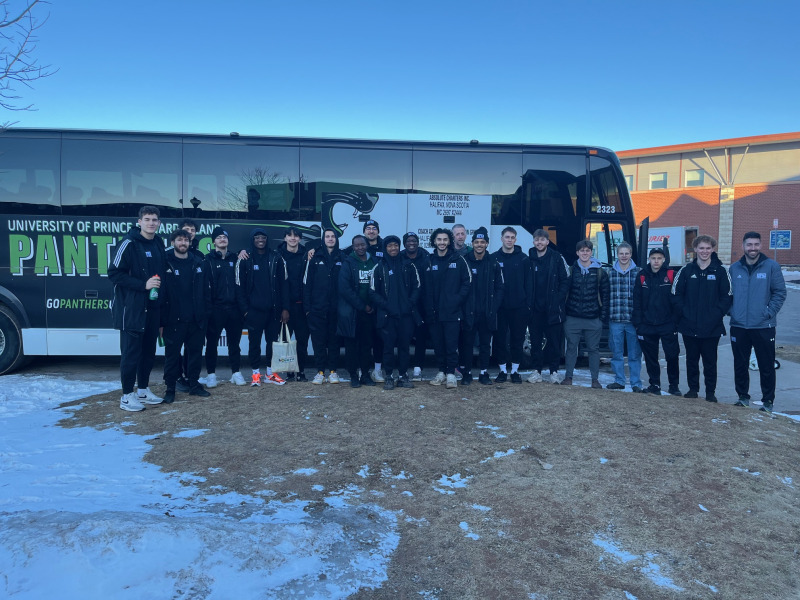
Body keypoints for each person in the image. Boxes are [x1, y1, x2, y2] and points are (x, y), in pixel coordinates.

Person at [108, 205, 166, 411]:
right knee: (131, 354)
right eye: (147, 219)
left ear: (159, 223)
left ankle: (142, 390)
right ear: (139, 221)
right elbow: (114, 274)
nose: (151, 223)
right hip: (131, 310)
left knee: (148, 352)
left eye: (154, 219)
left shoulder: (158, 243)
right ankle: (126, 396)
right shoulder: (128, 243)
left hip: (153, 308)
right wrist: (143, 285)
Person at [729, 231, 787, 413]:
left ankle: (768, 400)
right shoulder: (734, 268)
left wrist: (768, 313)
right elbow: (727, 294)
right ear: (743, 246)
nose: (752, 248)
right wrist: (732, 312)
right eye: (749, 245)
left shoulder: (771, 267)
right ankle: (742, 397)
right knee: (740, 364)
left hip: (763, 326)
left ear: (761, 245)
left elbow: (780, 292)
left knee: (766, 365)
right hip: (739, 326)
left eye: (756, 245)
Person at [671, 235, 732, 403]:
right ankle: (693, 389)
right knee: (692, 360)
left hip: (712, 327)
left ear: (713, 249)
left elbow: (727, 297)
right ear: (695, 249)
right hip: (689, 325)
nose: (704, 251)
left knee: (710, 362)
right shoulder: (686, 271)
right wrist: (685, 313)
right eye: (701, 248)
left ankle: (710, 392)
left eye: (708, 248)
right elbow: (676, 295)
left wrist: (715, 315)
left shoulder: (720, 271)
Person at [235, 227, 290, 386]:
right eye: (257, 237)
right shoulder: (245, 258)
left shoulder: (276, 257)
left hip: (274, 310)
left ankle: (270, 374)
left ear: (267, 240)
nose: (260, 240)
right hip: (253, 311)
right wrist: (245, 310)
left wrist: (285, 308)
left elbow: (284, 284)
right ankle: (255, 375)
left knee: (272, 343)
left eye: (263, 238)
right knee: (254, 344)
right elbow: (239, 287)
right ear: (252, 240)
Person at [161, 229, 211, 403]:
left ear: (190, 243)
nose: (183, 243)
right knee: (172, 356)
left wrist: (204, 315)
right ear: (173, 242)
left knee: (195, 354)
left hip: (196, 320)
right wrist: (162, 320)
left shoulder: (198, 263)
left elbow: (206, 292)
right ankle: (170, 388)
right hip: (173, 320)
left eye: (186, 240)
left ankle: (194, 384)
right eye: (179, 240)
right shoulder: (165, 262)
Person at [370, 235, 421, 389]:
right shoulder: (379, 267)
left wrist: (409, 304)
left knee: (405, 347)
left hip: (406, 315)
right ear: (385, 248)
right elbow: (372, 292)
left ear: (400, 247)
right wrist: (386, 306)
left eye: (395, 245)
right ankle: (389, 376)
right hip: (387, 316)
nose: (393, 248)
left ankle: (403, 375)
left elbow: (417, 287)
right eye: (389, 246)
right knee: (388, 347)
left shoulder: (409, 265)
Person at [426, 228, 471, 389]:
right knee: (438, 345)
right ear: (434, 241)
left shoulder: (458, 259)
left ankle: (451, 373)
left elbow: (467, 282)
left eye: (445, 239)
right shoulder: (429, 260)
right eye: (439, 239)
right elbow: (424, 286)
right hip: (434, 312)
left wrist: (456, 300)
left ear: (449, 241)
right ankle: (441, 371)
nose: (442, 242)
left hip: (452, 312)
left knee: (451, 344)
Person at [561, 239, 609, 388]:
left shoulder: (600, 272)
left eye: (587, 250)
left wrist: (602, 318)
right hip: (572, 317)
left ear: (591, 252)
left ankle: (595, 380)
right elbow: (564, 293)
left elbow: (605, 295)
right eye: (582, 250)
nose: (585, 253)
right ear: (577, 253)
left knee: (593, 350)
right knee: (571, 348)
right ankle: (568, 377)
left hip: (593, 318)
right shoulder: (570, 270)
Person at [632, 247, 680, 396]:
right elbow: (637, 301)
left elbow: (678, 300)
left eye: (659, 258)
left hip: (667, 324)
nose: (656, 261)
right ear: (649, 259)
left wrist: (675, 322)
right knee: (651, 357)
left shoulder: (671, 275)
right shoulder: (642, 276)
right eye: (653, 258)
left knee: (672, 356)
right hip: (647, 325)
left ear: (664, 259)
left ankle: (674, 385)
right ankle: (655, 384)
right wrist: (638, 324)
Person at [460, 227, 504, 385]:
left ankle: (484, 373)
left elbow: (500, 287)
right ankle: (467, 373)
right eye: (477, 242)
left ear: (487, 244)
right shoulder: (464, 260)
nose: (479, 245)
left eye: (482, 242)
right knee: (467, 344)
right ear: (472, 243)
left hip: (487, 312)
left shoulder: (493, 262)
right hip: (469, 312)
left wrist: (494, 307)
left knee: (485, 344)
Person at [204, 227, 245, 388]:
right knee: (212, 343)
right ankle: (211, 374)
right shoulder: (207, 260)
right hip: (216, 308)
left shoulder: (236, 258)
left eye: (224, 237)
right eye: (219, 237)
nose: (222, 239)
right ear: (214, 241)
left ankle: (236, 373)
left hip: (234, 308)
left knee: (234, 343)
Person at [527, 229, 569, 385]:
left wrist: (558, 299)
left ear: (547, 241)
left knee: (554, 343)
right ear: (533, 241)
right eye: (536, 240)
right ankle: (536, 371)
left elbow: (565, 281)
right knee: (536, 343)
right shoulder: (528, 258)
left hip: (553, 309)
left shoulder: (557, 258)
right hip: (535, 310)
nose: (539, 242)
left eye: (542, 240)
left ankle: (554, 372)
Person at [304, 228, 344, 384]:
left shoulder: (342, 257)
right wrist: (307, 309)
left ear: (336, 239)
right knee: (318, 342)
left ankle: (333, 372)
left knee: (334, 342)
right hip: (317, 310)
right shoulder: (314, 258)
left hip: (335, 309)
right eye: (327, 236)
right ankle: (320, 372)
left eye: (333, 236)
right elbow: (307, 284)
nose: (330, 239)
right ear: (323, 239)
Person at [492, 227, 531, 383]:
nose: (509, 240)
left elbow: (528, 284)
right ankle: (502, 371)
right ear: (501, 238)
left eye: (512, 237)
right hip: (499, 307)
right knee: (500, 340)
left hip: (519, 307)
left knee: (517, 340)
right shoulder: (493, 258)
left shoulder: (523, 259)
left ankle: (515, 371)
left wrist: (527, 304)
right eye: (507, 237)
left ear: (516, 239)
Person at [338, 235, 378, 388]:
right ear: (353, 247)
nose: (360, 247)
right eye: (357, 245)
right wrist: (363, 306)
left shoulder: (374, 261)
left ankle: (366, 374)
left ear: (367, 245)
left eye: (362, 244)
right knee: (351, 346)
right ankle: (353, 375)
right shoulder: (348, 263)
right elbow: (345, 289)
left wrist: (373, 305)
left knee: (367, 345)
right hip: (352, 312)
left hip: (370, 312)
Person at [604, 242, 643, 392]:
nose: (624, 256)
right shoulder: (609, 272)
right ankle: (619, 380)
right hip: (615, 319)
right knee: (617, 353)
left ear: (631, 254)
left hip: (633, 320)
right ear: (617, 254)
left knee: (634, 354)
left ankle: (636, 383)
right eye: (621, 253)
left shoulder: (639, 272)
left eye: (627, 253)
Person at [278, 226, 311, 381]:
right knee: (287, 341)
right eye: (289, 236)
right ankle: (289, 370)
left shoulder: (307, 255)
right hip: (285, 307)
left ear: (299, 239)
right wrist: (284, 307)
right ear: (284, 238)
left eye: (296, 236)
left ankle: (301, 371)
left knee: (302, 340)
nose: (293, 238)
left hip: (302, 306)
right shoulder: (277, 256)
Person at [401, 232, 432, 381]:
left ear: (418, 242)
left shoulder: (426, 257)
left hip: (422, 305)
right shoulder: (400, 257)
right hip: (406, 304)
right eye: (408, 241)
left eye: (414, 240)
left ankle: (418, 369)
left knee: (421, 338)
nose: (411, 243)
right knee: (405, 338)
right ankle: (404, 368)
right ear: (404, 243)